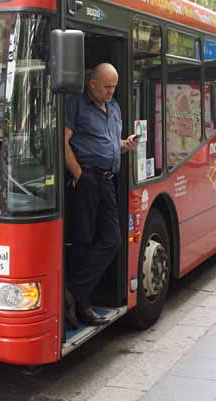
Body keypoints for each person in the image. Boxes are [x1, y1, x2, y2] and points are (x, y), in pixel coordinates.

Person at [64, 63, 137, 326]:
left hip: (108, 180)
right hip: (88, 179)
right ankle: (82, 305)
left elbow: (106, 142)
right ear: (92, 83)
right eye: (106, 86)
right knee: (84, 240)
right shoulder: (77, 103)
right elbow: (63, 141)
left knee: (111, 241)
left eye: (114, 86)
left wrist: (123, 146)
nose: (111, 91)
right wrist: (79, 175)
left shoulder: (114, 107)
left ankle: (72, 293)